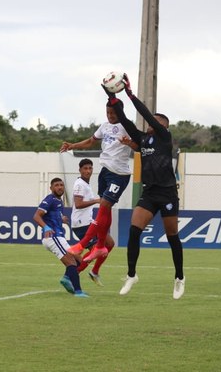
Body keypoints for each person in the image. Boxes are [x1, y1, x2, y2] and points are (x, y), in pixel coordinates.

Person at [107, 74, 185, 299]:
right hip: (150, 192)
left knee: (172, 237)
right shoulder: (143, 140)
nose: (153, 122)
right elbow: (125, 119)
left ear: (164, 125)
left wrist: (130, 94)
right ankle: (132, 274)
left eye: (157, 120)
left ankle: (179, 277)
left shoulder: (164, 137)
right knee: (134, 231)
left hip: (168, 193)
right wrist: (112, 96)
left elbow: (145, 115)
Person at [60, 102, 132, 263]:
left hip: (118, 174)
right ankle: (98, 251)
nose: (110, 115)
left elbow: (138, 146)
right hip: (105, 172)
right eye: (107, 112)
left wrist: (129, 143)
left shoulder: (127, 126)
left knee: (105, 205)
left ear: (120, 112)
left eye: (113, 113)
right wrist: (73, 145)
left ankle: (83, 245)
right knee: (105, 208)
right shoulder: (104, 127)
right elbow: (90, 141)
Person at [33, 178, 89, 298]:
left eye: (61, 185)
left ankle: (66, 278)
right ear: (51, 188)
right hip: (53, 237)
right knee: (72, 262)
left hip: (59, 237)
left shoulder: (59, 201)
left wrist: (61, 219)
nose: (59, 187)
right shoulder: (50, 199)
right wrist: (46, 228)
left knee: (80, 260)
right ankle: (78, 291)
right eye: (56, 185)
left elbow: (52, 215)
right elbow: (37, 216)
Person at [70, 158, 115, 286]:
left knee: (109, 244)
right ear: (80, 170)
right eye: (85, 168)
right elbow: (78, 204)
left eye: (90, 168)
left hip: (88, 221)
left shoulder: (86, 184)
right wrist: (96, 201)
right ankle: (72, 274)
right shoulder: (79, 184)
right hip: (81, 223)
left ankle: (94, 271)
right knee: (97, 249)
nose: (88, 171)